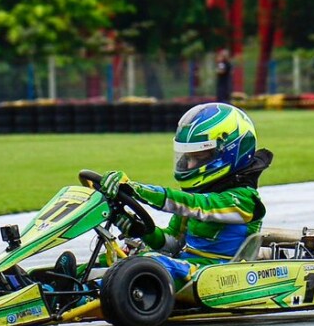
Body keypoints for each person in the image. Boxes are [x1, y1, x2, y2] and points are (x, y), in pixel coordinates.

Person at [98, 103, 272, 284]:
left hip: (219, 274)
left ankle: (88, 294)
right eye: (188, 157)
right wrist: (138, 228)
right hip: (188, 265)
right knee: (116, 260)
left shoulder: (244, 200)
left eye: (200, 157)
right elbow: (170, 244)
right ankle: (71, 282)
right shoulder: (200, 193)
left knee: (146, 265)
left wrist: (139, 190)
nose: (189, 166)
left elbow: (201, 206)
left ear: (229, 153)